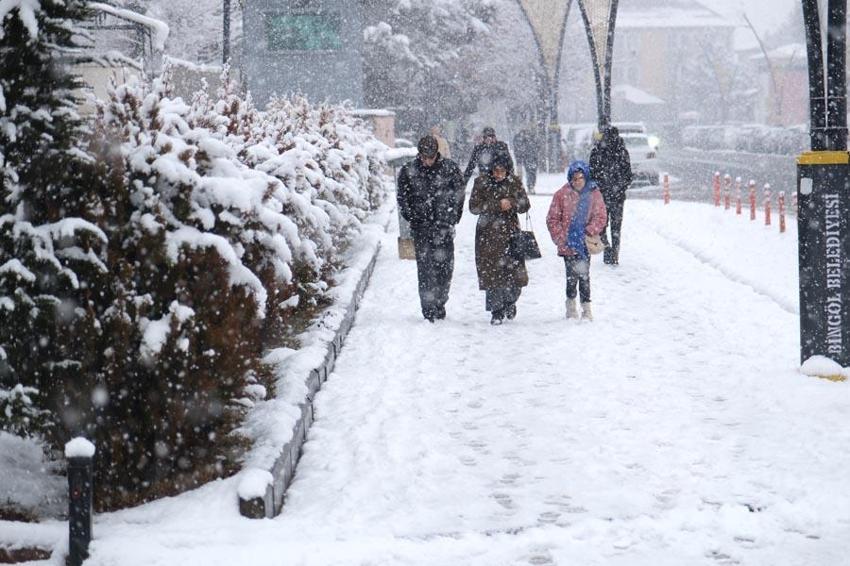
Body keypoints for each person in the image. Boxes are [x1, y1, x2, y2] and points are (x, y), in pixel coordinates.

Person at [397, 135, 466, 322]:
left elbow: (459, 194)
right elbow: (402, 197)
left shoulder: (450, 169)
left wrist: (453, 217)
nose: (427, 161)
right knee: (426, 270)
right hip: (421, 228)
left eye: (431, 157)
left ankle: (440, 301)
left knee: (445, 269)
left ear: (437, 154)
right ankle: (428, 309)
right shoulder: (408, 170)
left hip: (443, 227)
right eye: (424, 157)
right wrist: (412, 216)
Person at [469, 150, 531, 325]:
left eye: (502, 171)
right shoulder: (481, 183)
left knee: (515, 275)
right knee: (492, 274)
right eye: (495, 171)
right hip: (488, 235)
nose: (499, 174)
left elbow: (525, 204)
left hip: (511, 234)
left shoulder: (514, 182)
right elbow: (474, 207)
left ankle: (510, 302)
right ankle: (496, 311)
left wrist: (511, 202)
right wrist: (497, 205)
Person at [546, 160, 607, 321]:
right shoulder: (561, 194)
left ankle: (586, 308)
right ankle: (571, 306)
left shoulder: (594, 193)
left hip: (584, 242)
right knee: (571, 276)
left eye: (581, 177)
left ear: (586, 177)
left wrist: (589, 231)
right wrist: (561, 238)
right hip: (568, 243)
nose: (578, 181)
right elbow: (552, 219)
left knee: (584, 275)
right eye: (574, 178)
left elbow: (601, 216)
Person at [589, 126, 633, 265]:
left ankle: (607, 248)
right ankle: (614, 253)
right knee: (616, 226)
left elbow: (592, 173)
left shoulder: (597, 151)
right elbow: (628, 175)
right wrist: (621, 187)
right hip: (617, 196)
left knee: (602, 224)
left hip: (603, 195)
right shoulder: (622, 152)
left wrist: (599, 186)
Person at [512, 125, 540, 194]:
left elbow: (537, 146)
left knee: (530, 172)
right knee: (525, 173)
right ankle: (523, 187)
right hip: (526, 157)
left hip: (530, 157)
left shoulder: (531, 137)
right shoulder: (521, 137)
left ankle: (529, 187)